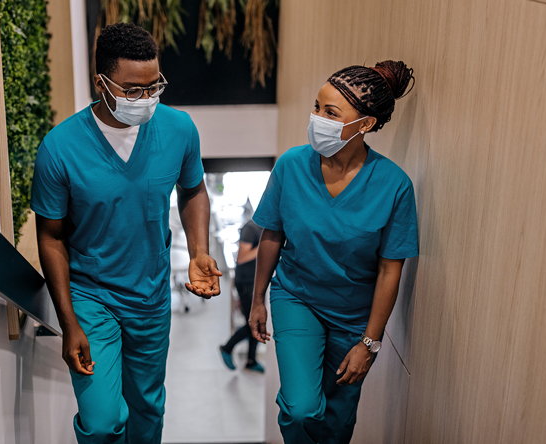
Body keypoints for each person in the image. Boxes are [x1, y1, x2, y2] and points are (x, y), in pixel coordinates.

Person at [32, 23, 223, 444]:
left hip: (151, 297)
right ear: (101, 83)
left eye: (154, 87)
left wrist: (198, 251)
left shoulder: (178, 129)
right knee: (102, 422)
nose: (146, 100)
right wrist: (68, 321)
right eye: (133, 91)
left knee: (148, 408)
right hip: (91, 296)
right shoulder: (60, 148)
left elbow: (193, 190)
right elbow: (50, 237)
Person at [248, 60, 419, 444]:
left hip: (354, 316)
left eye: (330, 112)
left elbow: (391, 270)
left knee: (337, 424)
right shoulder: (292, 165)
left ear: (366, 125)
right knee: (301, 409)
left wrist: (370, 344)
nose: (316, 118)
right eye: (316, 107)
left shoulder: (394, 186)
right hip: (297, 297)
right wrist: (258, 299)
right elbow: (272, 236)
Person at [219, 219, 265, 372]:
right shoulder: (251, 228)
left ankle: (251, 360)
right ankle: (227, 347)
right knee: (254, 323)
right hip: (246, 282)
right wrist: (267, 246)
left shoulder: (267, 227)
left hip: (255, 280)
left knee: (256, 323)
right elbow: (242, 257)